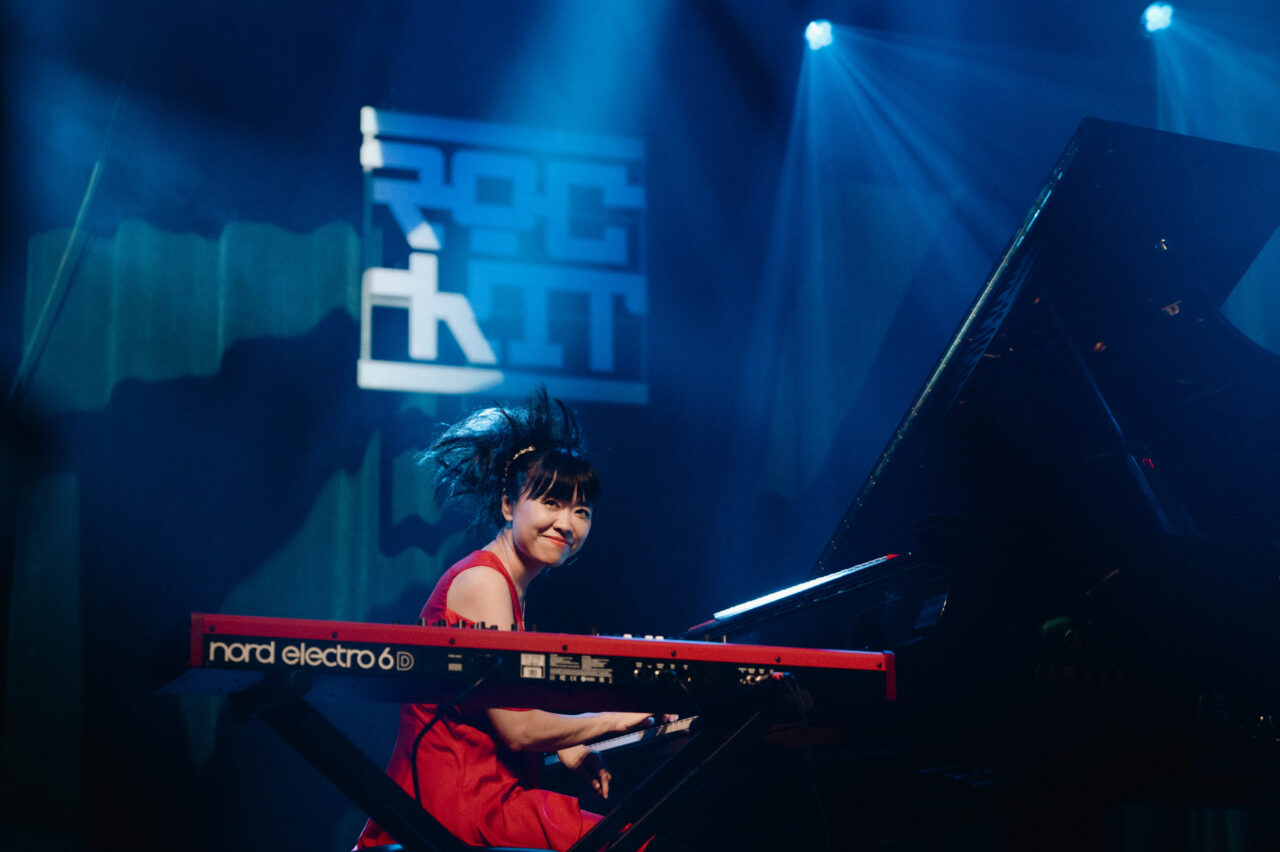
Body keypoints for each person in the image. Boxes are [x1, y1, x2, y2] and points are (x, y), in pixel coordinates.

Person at [355, 388, 657, 851]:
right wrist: (612, 719)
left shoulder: (506, 586)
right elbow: (517, 730)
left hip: (476, 799)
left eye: (581, 511)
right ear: (508, 505)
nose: (568, 524)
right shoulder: (484, 582)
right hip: (458, 813)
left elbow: (488, 707)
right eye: (552, 502)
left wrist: (565, 742)